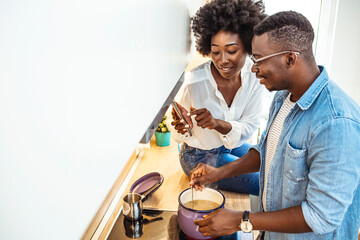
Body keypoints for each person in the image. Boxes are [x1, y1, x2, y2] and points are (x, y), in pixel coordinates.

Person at [190, 11, 360, 240]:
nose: (253, 68)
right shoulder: (283, 97)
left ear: (290, 58)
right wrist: (219, 172)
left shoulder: (336, 123)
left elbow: (321, 216)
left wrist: (241, 220)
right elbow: (266, 151)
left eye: (259, 59)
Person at [169, 0, 266, 195]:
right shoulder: (194, 82)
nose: (222, 60)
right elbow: (179, 135)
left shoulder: (255, 76)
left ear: (247, 46)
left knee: (270, 164)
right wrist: (181, 126)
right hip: (197, 157)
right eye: (215, 52)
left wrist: (216, 123)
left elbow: (250, 124)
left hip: (229, 148)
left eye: (231, 51)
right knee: (265, 184)